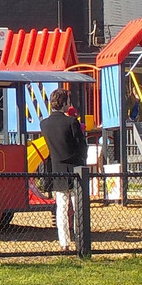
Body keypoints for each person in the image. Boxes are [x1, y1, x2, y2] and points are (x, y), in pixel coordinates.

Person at [39, 88, 87, 251]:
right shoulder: (71, 122)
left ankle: (64, 242)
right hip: (75, 169)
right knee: (78, 206)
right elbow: (81, 146)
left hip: (57, 169)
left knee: (61, 207)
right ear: (64, 103)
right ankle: (81, 239)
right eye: (68, 102)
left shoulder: (44, 124)